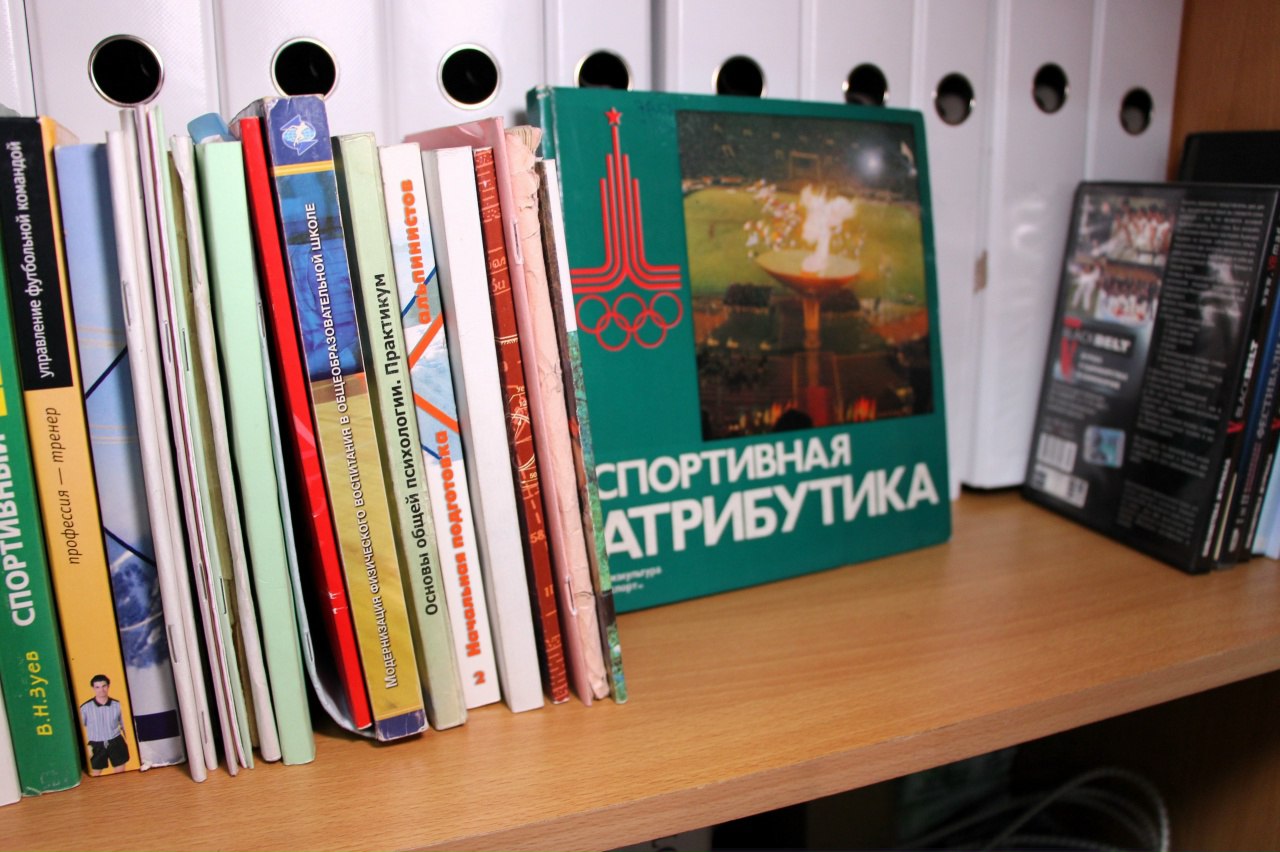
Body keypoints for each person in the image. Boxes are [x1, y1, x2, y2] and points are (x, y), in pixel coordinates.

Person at [79, 674, 129, 776]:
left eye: (104, 686)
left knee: (121, 774)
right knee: (94, 774)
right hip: (96, 745)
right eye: (97, 687)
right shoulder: (85, 708)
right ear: (93, 688)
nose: (101, 690)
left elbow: (124, 725)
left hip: (115, 742)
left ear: (108, 686)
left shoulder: (117, 705)